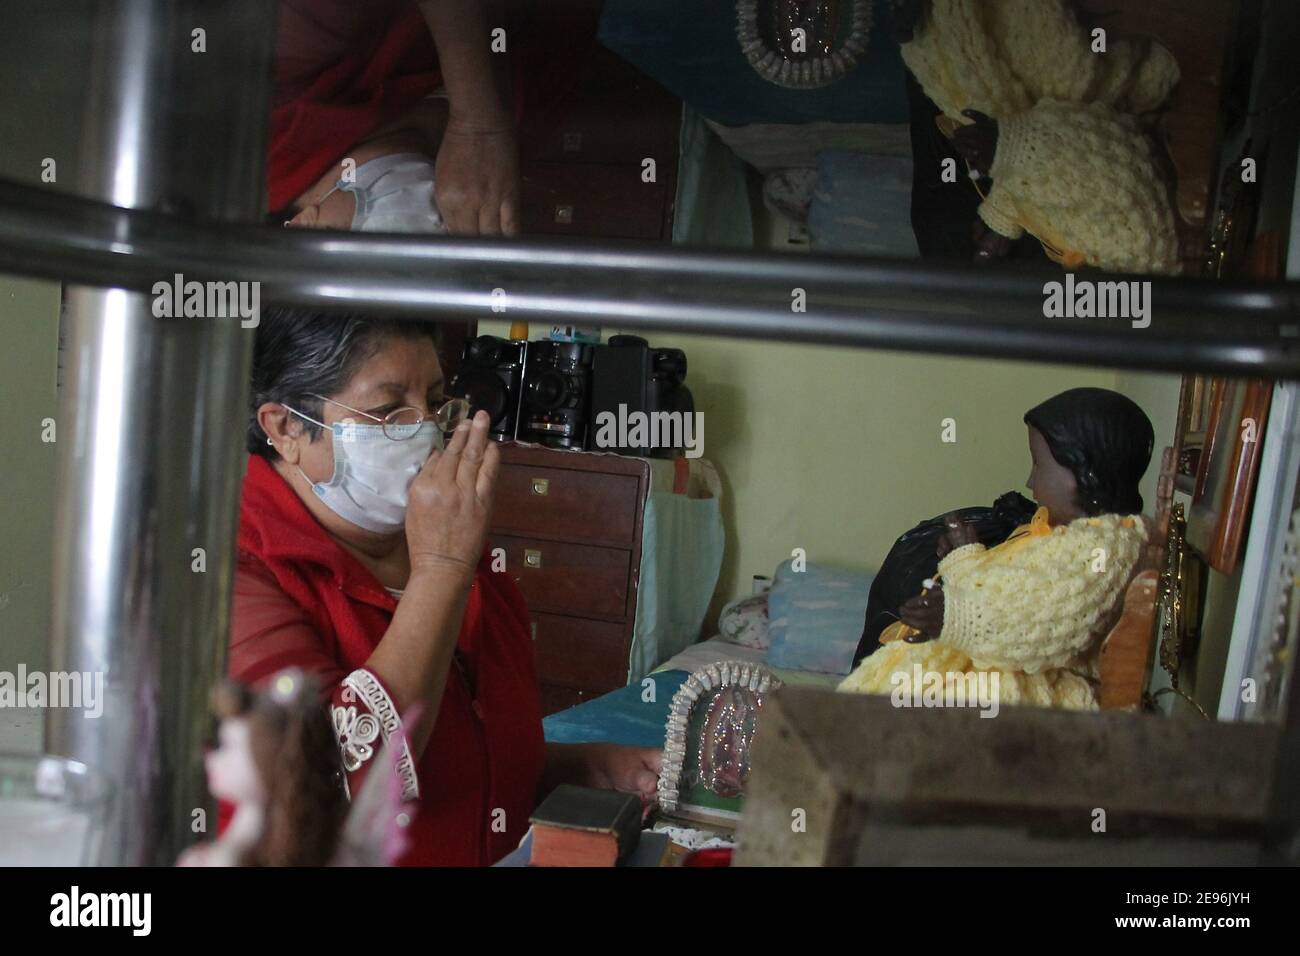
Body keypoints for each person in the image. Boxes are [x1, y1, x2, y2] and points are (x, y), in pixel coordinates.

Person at [227, 306, 660, 865]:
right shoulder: (236, 570)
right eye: (388, 411)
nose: (428, 429)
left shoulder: (450, 548)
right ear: (286, 429)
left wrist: (586, 767)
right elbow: (329, 783)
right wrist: (441, 567)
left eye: (434, 401)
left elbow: (461, 759)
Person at [839, 387, 1154, 710]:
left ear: (1081, 472)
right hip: (1004, 660)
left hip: (1038, 684)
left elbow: (1039, 622)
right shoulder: (1062, 532)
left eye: (1039, 465)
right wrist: (963, 558)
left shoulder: (1104, 549)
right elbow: (1000, 591)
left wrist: (953, 616)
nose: (1030, 481)